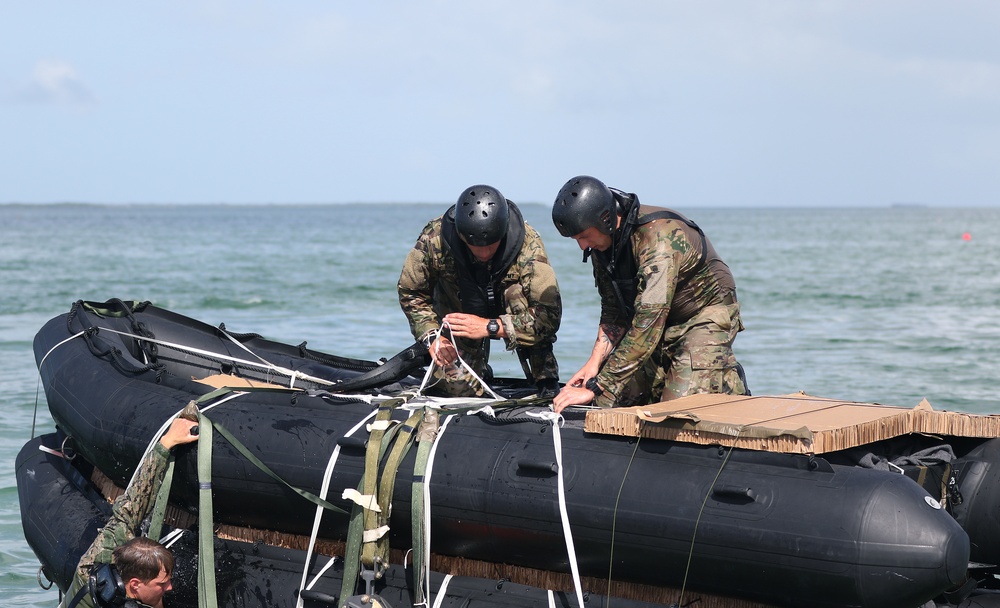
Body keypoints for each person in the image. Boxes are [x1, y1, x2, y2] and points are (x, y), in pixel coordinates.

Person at [550, 175, 748, 413]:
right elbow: (614, 310)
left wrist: (597, 385)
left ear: (605, 220)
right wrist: (593, 365)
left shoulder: (659, 240)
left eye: (583, 236)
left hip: (702, 317)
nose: (582, 246)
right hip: (658, 322)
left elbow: (647, 323)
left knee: (675, 413)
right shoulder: (603, 245)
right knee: (605, 404)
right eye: (576, 239)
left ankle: (724, 379)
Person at [398, 184, 562, 397]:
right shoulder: (434, 239)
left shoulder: (528, 245)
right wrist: (432, 337)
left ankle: (544, 375)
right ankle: (476, 368)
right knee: (458, 390)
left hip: (508, 311)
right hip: (459, 310)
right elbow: (411, 292)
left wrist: (490, 327)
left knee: (521, 296)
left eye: (491, 245)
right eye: (474, 245)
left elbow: (549, 315)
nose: (483, 253)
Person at [62, 416, 200, 608]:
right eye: (161, 583)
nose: (170, 587)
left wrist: (166, 443)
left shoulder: (93, 564)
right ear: (134, 585)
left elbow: (131, 509)